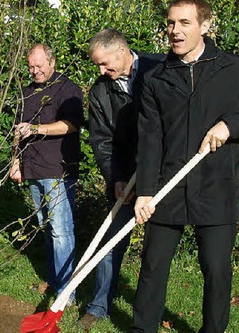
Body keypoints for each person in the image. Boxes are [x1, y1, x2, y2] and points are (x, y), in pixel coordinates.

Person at [132, 1, 239, 332]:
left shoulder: (233, 68)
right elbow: (151, 139)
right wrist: (145, 193)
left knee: (216, 270)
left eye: (184, 22)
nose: (175, 31)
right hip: (169, 187)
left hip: (215, 186)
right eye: (170, 23)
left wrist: (230, 125)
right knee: (153, 267)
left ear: (205, 25)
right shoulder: (156, 78)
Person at [78, 29, 163, 330]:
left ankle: (148, 311)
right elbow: (102, 140)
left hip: (163, 176)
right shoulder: (101, 91)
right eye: (97, 66)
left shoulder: (160, 68)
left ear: (122, 50)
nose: (101, 72)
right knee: (109, 244)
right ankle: (98, 305)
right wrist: (115, 177)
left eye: (104, 64)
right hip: (125, 178)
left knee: (158, 248)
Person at [10, 43, 84, 298]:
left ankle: (66, 292)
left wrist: (37, 128)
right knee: (47, 227)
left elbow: (71, 125)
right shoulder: (26, 92)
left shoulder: (68, 89)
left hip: (58, 170)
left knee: (61, 230)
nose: (35, 71)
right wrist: (15, 162)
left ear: (52, 62)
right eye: (30, 66)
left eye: (39, 66)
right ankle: (54, 281)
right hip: (32, 168)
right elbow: (17, 131)